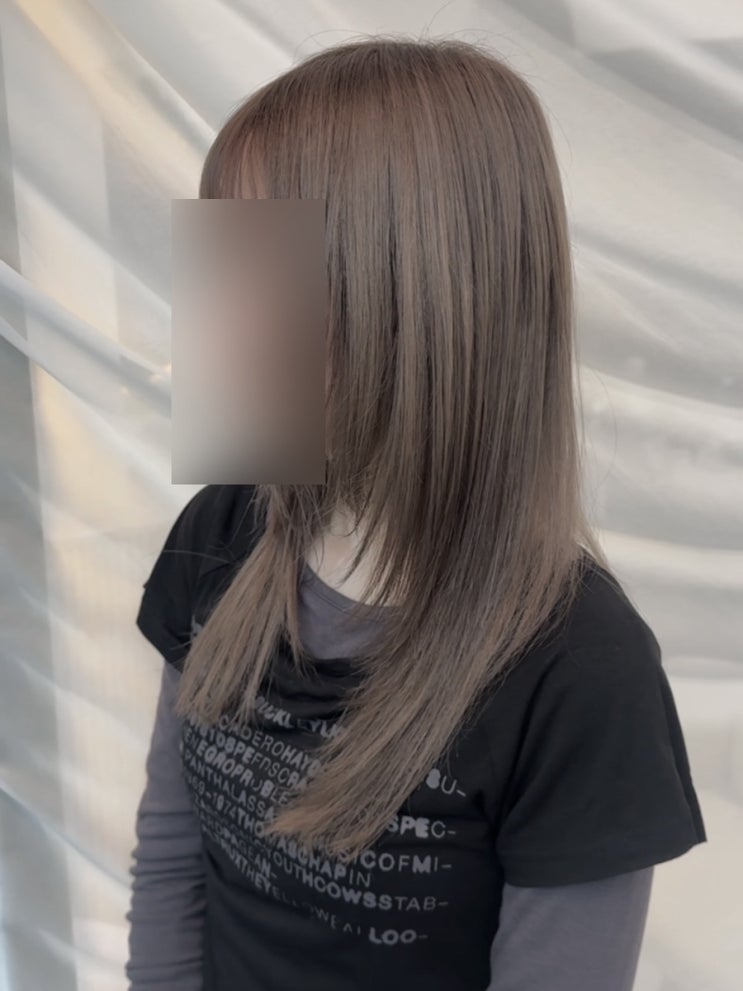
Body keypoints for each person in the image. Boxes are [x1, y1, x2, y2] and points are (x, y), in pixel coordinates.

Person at [125, 36, 707, 991]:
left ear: (413, 299)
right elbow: (172, 852)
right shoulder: (224, 529)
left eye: (257, 276)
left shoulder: (579, 670)